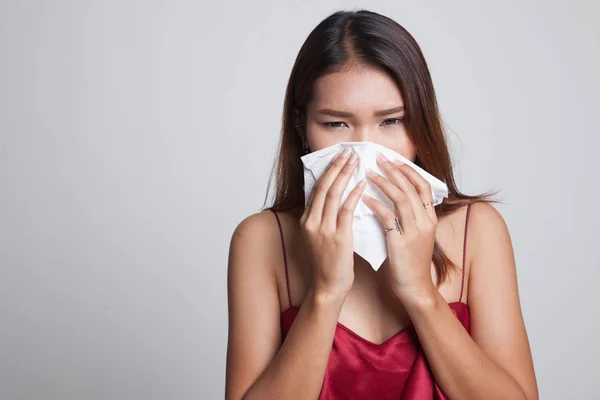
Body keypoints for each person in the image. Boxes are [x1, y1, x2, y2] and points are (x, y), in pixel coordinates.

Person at [225, 9, 538, 400]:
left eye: (390, 121)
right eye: (337, 124)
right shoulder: (261, 240)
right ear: (302, 127)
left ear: (420, 128)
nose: (366, 150)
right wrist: (326, 291)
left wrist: (420, 293)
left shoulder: (478, 230)